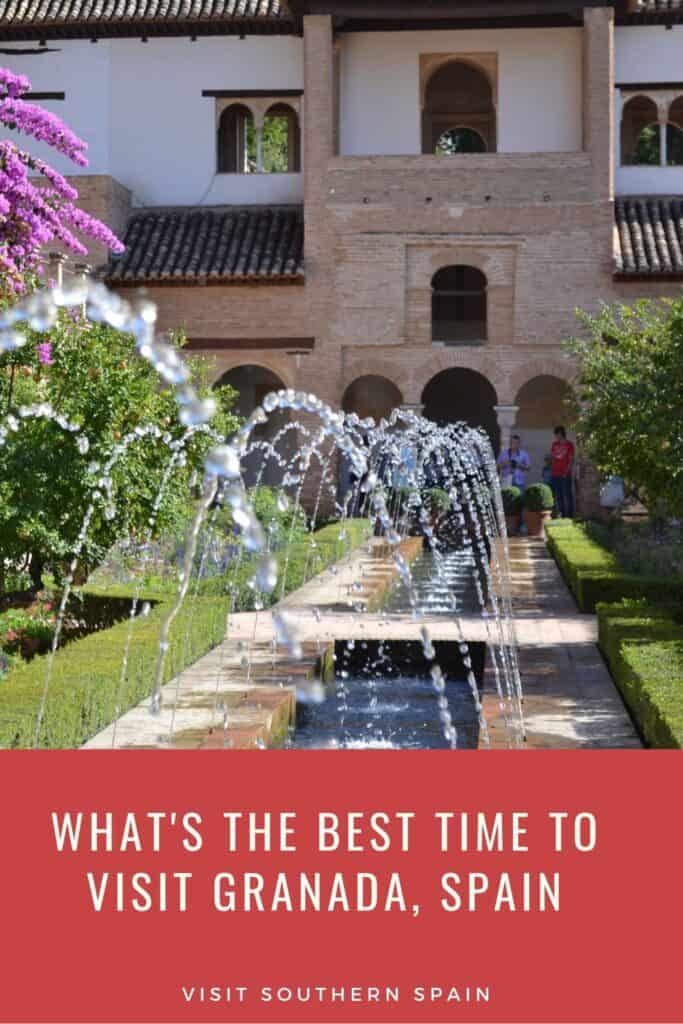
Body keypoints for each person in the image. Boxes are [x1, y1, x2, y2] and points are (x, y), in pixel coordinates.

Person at [550, 425, 575, 518]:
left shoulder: (569, 445)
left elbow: (571, 460)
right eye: (555, 435)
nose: (556, 436)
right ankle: (562, 514)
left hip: (565, 474)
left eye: (557, 434)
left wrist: (566, 472)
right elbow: (553, 457)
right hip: (555, 473)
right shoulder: (554, 444)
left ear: (561, 434)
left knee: (567, 495)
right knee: (558, 495)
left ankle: (570, 515)